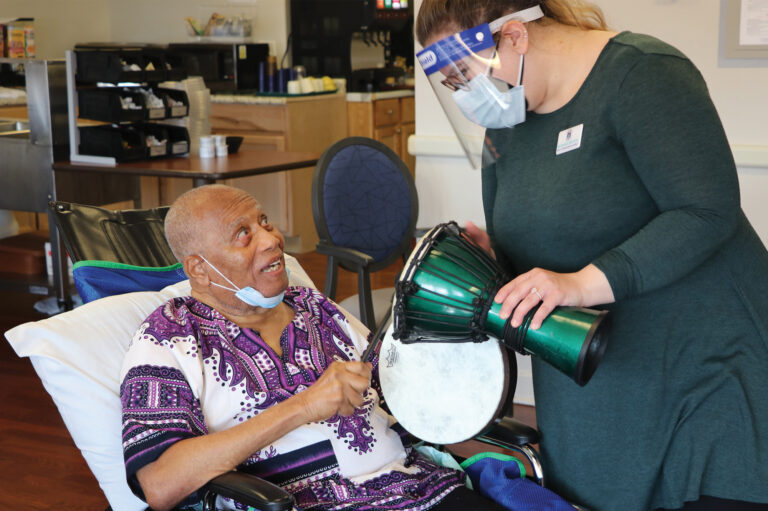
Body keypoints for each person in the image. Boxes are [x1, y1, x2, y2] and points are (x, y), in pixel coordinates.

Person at [415, 1, 768, 511]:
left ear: (513, 36)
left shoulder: (642, 74)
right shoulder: (509, 121)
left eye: (461, 75)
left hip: (706, 364)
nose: (463, 94)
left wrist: (581, 283)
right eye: (448, 84)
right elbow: (543, 241)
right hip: (597, 378)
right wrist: (496, 258)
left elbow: (706, 211)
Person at [119, 184, 506, 511]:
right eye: (244, 234)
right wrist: (304, 406)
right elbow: (160, 483)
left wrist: (446, 300)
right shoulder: (170, 336)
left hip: (418, 488)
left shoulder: (313, 306)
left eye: (264, 222)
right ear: (199, 269)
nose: (272, 239)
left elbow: (398, 384)